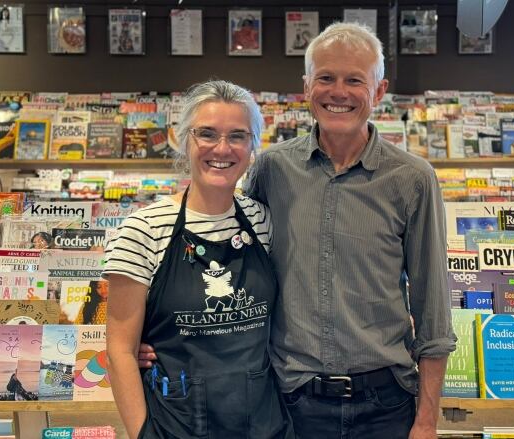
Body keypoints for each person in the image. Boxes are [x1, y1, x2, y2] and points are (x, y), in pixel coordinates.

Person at [138, 23, 456, 439]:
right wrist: (163, 338)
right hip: (291, 402)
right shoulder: (271, 169)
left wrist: (427, 420)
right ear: (307, 87)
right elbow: (232, 263)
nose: (337, 92)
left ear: (379, 92)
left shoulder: (412, 179)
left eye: (354, 80)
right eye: (325, 78)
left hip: (386, 404)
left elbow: (433, 310)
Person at [104, 80, 289, 439]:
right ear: (183, 139)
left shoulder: (264, 221)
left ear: (253, 146)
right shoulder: (143, 229)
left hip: (264, 425)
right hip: (176, 424)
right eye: (207, 134)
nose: (222, 149)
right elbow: (120, 351)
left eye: (237, 136)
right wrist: (144, 433)